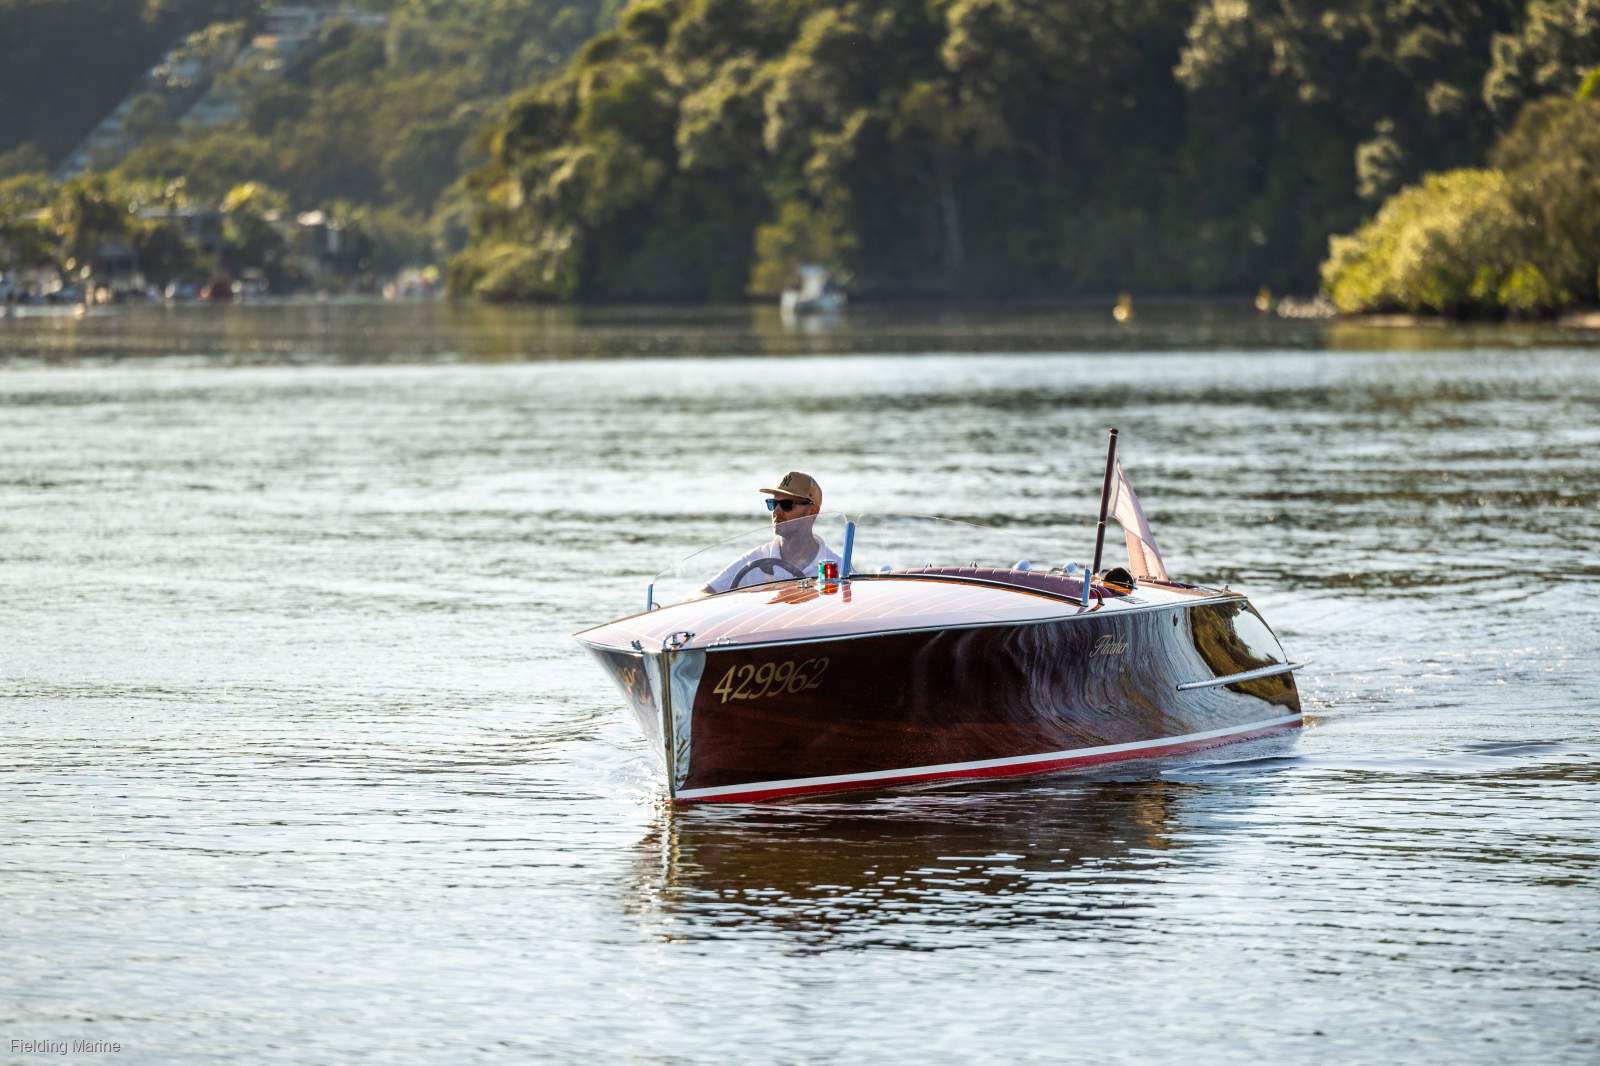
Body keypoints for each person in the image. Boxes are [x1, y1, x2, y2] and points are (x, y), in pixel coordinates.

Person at [700, 471, 842, 595]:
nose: (776, 511)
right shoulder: (752, 561)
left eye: (787, 505)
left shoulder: (839, 569)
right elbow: (701, 595)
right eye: (773, 504)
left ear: (812, 512)